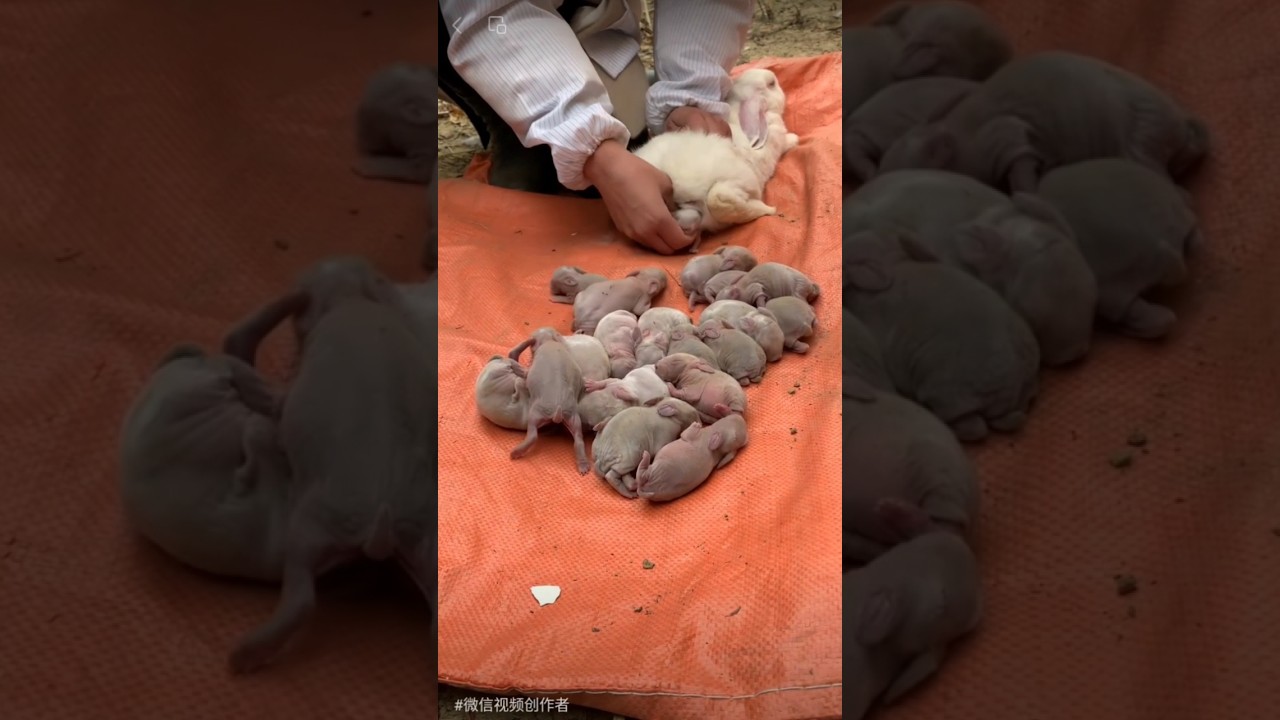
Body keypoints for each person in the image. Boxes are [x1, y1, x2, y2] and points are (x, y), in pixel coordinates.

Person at [438, 0, 755, 254]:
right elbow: (493, 19)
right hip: (486, 17)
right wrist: (593, 151)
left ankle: (581, 65)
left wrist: (690, 90)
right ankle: (490, 101)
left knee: (624, 147)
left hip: (587, 8)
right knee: (542, 177)